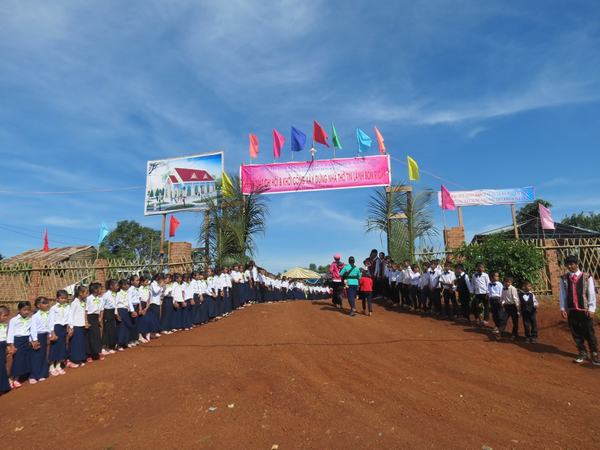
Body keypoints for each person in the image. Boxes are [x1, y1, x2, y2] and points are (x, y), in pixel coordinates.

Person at [559, 255, 599, 365]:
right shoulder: (564, 279)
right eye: (567, 264)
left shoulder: (587, 277)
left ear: (577, 264)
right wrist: (563, 308)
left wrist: (591, 308)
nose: (569, 266)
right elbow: (563, 294)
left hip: (584, 310)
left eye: (572, 264)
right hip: (572, 310)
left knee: (589, 332)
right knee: (575, 332)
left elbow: (591, 293)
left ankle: (594, 354)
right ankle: (582, 352)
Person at [7, 301, 33, 387]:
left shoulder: (30, 319)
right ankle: (11, 378)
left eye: (28, 310)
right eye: (24, 310)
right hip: (17, 341)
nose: (26, 312)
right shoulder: (13, 320)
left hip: (26, 341)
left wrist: (30, 340)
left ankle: (17, 379)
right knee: (17, 360)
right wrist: (11, 345)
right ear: (19, 310)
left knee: (24, 360)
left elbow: (30, 331)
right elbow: (10, 332)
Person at [29, 296, 51, 383]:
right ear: (38, 305)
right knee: (35, 356)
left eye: (47, 303)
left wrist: (50, 334)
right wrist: (35, 340)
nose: (47, 305)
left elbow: (49, 325)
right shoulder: (35, 316)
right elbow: (33, 329)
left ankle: (42, 374)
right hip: (37, 337)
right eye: (44, 303)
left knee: (43, 355)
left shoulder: (49, 314)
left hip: (44, 336)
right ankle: (33, 375)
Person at [48, 290, 70, 376]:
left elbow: (70, 317)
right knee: (54, 347)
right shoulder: (53, 308)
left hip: (63, 328)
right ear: (57, 299)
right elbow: (51, 321)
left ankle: (58, 365)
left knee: (62, 347)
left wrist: (70, 327)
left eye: (65, 298)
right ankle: (51, 366)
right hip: (56, 328)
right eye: (61, 298)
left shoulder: (68, 307)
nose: (63, 300)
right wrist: (52, 332)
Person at [68, 285, 89, 368]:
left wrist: (86, 322)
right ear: (80, 293)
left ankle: (80, 358)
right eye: (86, 293)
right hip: (75, 326)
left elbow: (84, 313)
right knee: (75, 344)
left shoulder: (83, 302)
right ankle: (73, 360)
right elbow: (71, 316)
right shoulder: (74, 303)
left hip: (81, 325)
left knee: (80, 343)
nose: (87, 294)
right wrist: (71, 327)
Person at [85, 282, 104, 362]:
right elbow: (85, 310)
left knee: (96, 336)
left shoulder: (100, 299)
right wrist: (86, 321)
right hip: (90, 317)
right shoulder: (88, 299)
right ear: (95, 290)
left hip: (96, 318)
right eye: (100, 289)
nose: (102, 290)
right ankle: (89, 355)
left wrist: (100, 318)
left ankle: (96, 353)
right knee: (90, 336)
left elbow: (101, 310)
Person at [101, 279, 119, 354]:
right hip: (107, 313)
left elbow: (115, 305)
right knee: (107, 330)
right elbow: (102, 306)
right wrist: (101, 316)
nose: (118, 287)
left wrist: (116, 314)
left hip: (112, 312)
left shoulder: (115, 294)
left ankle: (110, 346)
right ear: (111, 286)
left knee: (112, 330)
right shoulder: (106, 295)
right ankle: (104, 347)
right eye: (116, 285)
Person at [0, 305, 10, 394]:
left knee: (3, 364)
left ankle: (4, 386)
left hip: (3, 345)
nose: (6, 318)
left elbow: (5, 337)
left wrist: (7, 346)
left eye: (7, 316)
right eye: (4, 316)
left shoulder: (5, 325)